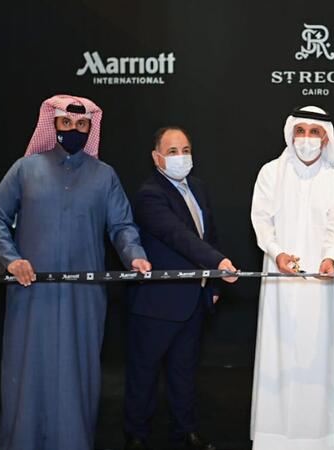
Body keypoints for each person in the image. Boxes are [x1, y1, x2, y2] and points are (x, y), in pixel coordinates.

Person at [0, 94, 151, 450]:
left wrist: (135, 256)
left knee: (77, 374)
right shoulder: (25, 169)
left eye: (81, 124)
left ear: (90, 128)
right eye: (66, 123)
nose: (74, 129)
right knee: (27, 373)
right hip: (30, 291)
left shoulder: (104, 176)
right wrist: (11, 259)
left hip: (84, 296)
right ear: (53, 124)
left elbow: (122, 226)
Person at [124, 126, 238, 450]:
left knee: (184, 372)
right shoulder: (149, 195)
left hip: (194, 300)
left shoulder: (198, 188)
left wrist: (213, 282)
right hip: (157, 303)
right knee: (144, 374)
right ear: (156, 157)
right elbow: (179, 237)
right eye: (172, 151)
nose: (181, 157)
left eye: (185, 150)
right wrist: (219, 262)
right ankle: (136, 436)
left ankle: (186, 432)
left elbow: (209, 235)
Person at [249, 106, 334, 450]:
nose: (307, 138)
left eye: (314, 132)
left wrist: (329, 257)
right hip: (278, 281)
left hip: (319, 284)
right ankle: (273, 438)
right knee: (277, 354)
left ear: (326, 138)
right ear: (291, 134)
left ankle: (318, 438)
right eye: (301, 130)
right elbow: (262, 221)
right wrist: (277, 252)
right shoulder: (270, 173)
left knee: (316, 356)